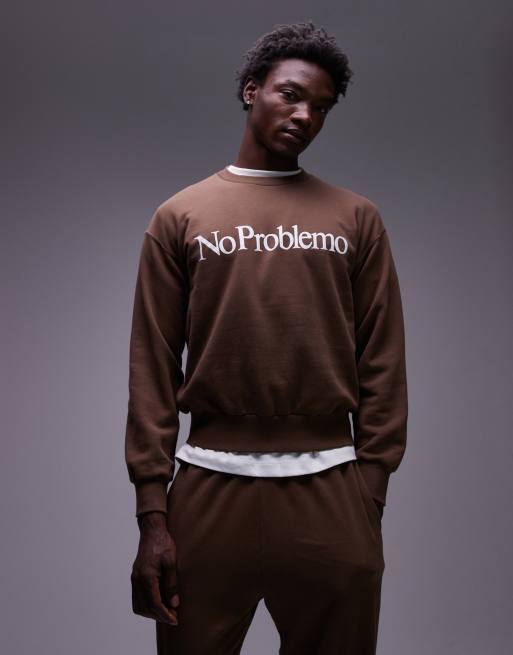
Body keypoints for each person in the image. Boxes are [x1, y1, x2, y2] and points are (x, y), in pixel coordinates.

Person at [124, 21, 408, 655]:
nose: (305, 115)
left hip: (332, 484)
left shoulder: (356, 218)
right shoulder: (181, 216)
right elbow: (153, 365)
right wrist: (152, 514)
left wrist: (371, 491)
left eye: (321, 107)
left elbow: (383, 359)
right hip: (207, 484)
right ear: (252, 90)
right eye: (291, 94)